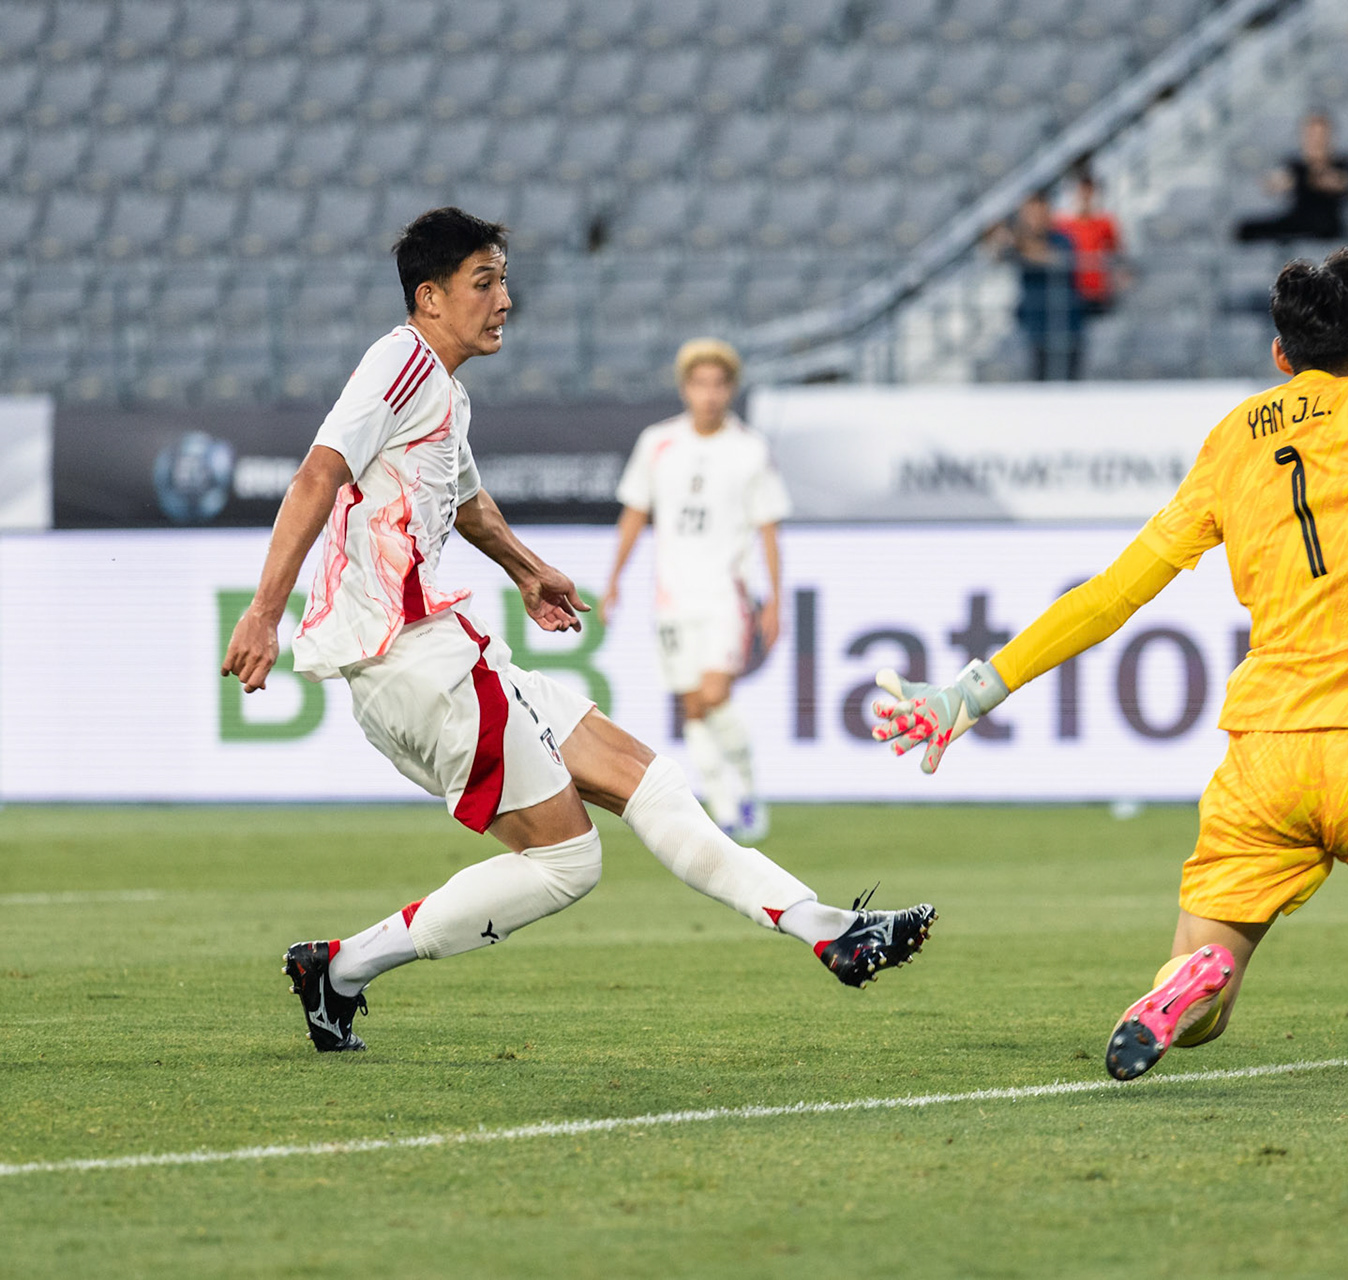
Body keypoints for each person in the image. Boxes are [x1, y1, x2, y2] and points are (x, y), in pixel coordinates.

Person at [871, 130, 1348, 1084]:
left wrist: (975, 691)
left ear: (1280, 353)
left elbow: (1115, 592)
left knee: (1209, 988)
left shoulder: (1231, 441)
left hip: (1264, 756)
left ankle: (1189, 981)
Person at [222, 208, 934, 1054]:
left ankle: (826, 927)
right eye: (483, 282)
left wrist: (527, 570)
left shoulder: (443, 391)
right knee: (569, 862)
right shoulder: (399, 361)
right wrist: (268, 609)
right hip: (410, 662)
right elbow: (317, 474)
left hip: (450, 653)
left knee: (648, 778)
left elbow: (470, 504)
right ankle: (340, 970)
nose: (504, 300)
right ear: (430, 297)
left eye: (504, 280)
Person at [602, 338, 786, 843]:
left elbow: (768, 527)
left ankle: (747, 789)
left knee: (714, 692)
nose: (709, 394)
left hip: (726, 593)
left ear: (730, 390)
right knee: (693, 705)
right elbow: (635, 513)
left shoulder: (749, 449)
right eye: (700, 383)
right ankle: (723, 806)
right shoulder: (658, 443)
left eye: (718, 384)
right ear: (686, 388)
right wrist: (614, 580)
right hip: (672, 597)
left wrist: (775, 600)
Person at [989, 191, 1086, 380]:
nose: (1034, 218)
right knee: (1037, 388)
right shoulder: (1018, 242)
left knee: (1071, 389)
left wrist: (1019, 242)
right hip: (1034, 326)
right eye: (1029, 213)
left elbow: (1052, 257)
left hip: (1066, 323)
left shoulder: (1061, 238)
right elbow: (997, 255)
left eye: (1037, 212)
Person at [1235, 114, 1348, 244]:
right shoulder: (1295, 165)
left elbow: (1339, 183)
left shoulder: (1341, 163)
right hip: (1298, 220)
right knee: (1246, 229)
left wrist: (1313, 174)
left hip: (1326, 226)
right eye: (1311, 135)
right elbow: (1274, 183)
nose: (1316, 140)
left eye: (1320, 135)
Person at [1054, 169, 1127, 316]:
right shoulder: (1061, 224)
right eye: (1081, 191)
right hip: (1072, 291)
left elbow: (1117, 253)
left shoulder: (1105, 222)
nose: (1085, 196)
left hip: (1098, 292)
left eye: (1089, 191)